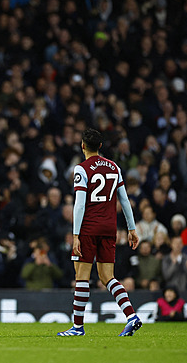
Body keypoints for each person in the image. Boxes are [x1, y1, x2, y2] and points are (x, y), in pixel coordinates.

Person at [58, 128, 141, 337]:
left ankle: (77, 327)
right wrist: (132, 229)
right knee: (108, 277)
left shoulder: (81, 169)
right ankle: (132, 316)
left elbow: (79, 204)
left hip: (88, 227)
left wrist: (76, 234)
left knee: (82, 276)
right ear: (101, 147)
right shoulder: (115, 167)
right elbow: (124, 201)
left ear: (83, 146)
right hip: (109, 228)